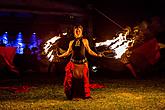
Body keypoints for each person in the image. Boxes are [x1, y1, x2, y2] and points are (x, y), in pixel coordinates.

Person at [57, 25, 102, 100]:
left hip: (82, 64)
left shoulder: (85, 40)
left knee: (83, 80)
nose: (77, 31)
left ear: (81, 31)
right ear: (74, 32)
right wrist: (60, 56)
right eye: (76, 30)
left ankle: (85, 96)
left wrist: (97, 55)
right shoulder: (71, 42)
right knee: (74, 81)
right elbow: (68, 52)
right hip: (73, 64)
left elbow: (89, 51)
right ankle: (74, 96)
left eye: (79, 30)